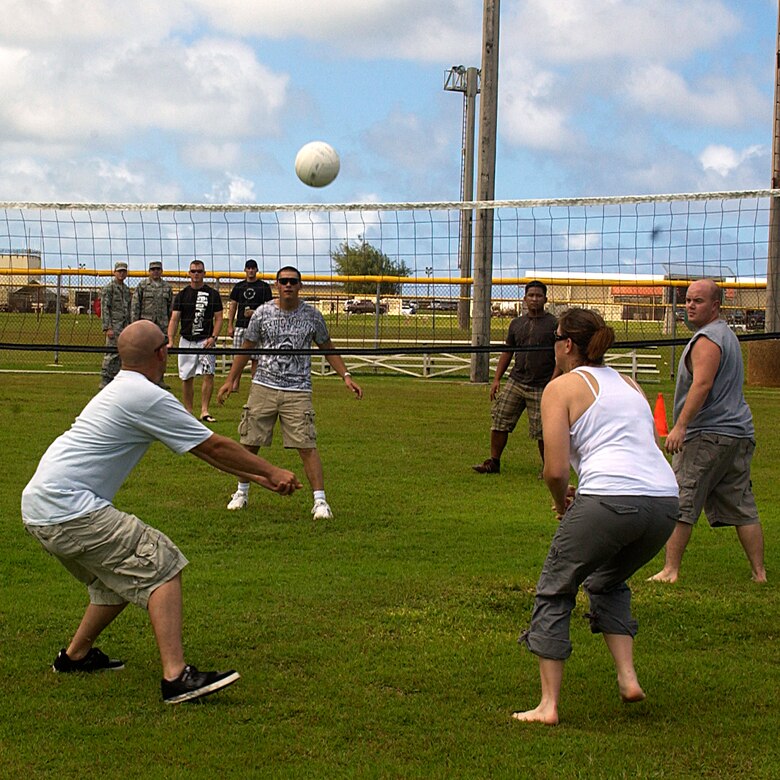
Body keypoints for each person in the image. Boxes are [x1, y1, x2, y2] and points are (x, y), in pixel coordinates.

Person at [21, 320, 302, 704]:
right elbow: (215, 445)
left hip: (40, 507)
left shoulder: (122, 388)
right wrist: (271, 470)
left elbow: (204, 451)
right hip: (69, 508)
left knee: (114, 582)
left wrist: (259, 478)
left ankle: (75, 656)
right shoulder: (146, 396)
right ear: (162, 353)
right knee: (161, 561)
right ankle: (176, 678)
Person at [513, 308, 679, 726]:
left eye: (555, 339)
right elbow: (624, 449)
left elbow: (554, 470)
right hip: (663, 502)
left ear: (566, 344)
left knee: (555, 587)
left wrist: (560, 502)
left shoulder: (561, 387)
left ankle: (548, 706)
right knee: (606, 579)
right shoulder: (630, 383)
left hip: (609, 498)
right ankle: (628, 678)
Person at [217, 266, 362, 520]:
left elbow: (327, 346)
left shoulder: (312, 316)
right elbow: (246, 347)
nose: (288, 285)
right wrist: (231, 380)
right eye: (283, 281)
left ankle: (320, 501)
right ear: (276, 284)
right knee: (249, 444)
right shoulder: (262, 313)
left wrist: (346, 376)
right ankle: (241, 492)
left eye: (292, 281)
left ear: (299, 285)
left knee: (307, 445)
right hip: (263, 386)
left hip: (298, 390)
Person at [649, 279, 766, 584]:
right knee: (741, 505)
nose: (689, 305)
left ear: (716, 305)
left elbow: (702, 384)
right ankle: (759, 573)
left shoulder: (707, 340)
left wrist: (681, 426)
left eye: (698, 301)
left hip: (709, 434)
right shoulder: (725, 335)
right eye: (687, 300)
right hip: (738, 433)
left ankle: (670, 570)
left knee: (682, 499)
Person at [473, 280, 559, 475]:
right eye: (531, 295)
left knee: (543, 430)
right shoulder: (516, 324)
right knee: (500, 419)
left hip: (542, 385)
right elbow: (507, 352)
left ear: (545, 299)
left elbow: (561, 356)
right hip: (516, 381)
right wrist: (496, 379)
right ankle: (493, 462)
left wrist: (553, 382)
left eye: (538, 296)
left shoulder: (554, 324)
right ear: (524, 299)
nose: (534, 299)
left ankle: (548, 468)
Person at [167, 259, 223, 423]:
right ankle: (188, 410)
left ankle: (204, 410)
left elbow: (219, 318)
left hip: (206, 341)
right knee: (186, 376)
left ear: (204, 273)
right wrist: (170, 339)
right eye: (193, 271)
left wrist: (213, 337)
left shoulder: (213, 294)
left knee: (208, 373)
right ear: (189, 273)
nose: (196, 274)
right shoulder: (182, 295)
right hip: (186, 340)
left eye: (199, 271)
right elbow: (174, 319)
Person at [226, 259, 273, 393]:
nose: (251, 271)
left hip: (258, 327)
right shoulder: (239, 286)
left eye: (253, 268)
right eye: (249, 268)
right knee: (238, 357)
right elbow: (233, 306)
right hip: (241, 325)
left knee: (256, 358)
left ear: (257, 270)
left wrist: (256, 312)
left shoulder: (264, 287)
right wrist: (230, 325)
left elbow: (268, 307)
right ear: (245, 270)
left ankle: (255, 384)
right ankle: (234, 385)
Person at [99, 261, 131, 388]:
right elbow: (105, 308)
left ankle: (117, 377)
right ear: (114, 272)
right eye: (119, 271)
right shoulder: (109, 288)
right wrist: (107, 327)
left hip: (124, 326)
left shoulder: (126, 290)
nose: (121, 274)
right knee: (111, 353)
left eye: (124, 271)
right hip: (114, 326)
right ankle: (105, 378)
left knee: (123, 353)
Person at [131, 260, 173, 334]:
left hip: (162, 325)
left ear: (162, 271)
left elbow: (170, 308)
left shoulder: (167, 287)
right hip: (146, 324)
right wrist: (135, 324)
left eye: (158, 269)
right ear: (149, 271)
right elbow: (135, 305)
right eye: (153, 269)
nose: (155, 271)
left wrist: (169, 323)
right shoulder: (142, 285)